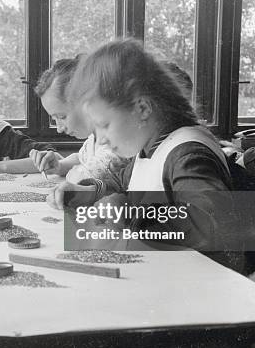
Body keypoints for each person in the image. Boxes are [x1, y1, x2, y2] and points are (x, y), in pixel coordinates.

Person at [47, 38, 234, 251]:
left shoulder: (187, 155)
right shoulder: (149, 147)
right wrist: (87, 191)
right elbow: (120, 182)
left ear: (142, 108)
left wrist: (129, 214)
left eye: (104, 125)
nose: (101, 140)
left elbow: (207, 226)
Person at [28, 55, 128, 184]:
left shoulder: (118, 139)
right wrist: (59, 166)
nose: (59, 129)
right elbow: (83, 159)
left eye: (62, 117)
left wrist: (72, 172)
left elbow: (86, 176)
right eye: (55, 119)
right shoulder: (95, 137)